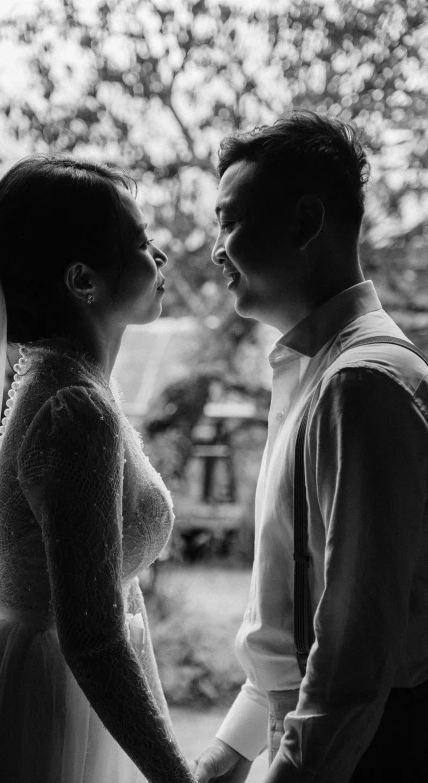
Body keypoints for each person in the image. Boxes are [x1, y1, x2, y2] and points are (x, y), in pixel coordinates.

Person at [0, 155, 197, 783]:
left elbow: (104, 570)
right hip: (49, 705)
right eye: (142, 243)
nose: (159, 260)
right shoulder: (75, 411)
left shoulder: (74, 386)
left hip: (63, 689)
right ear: (82, 280)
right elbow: (91, 639)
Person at [193, 112, 428, 782]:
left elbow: (356, 649)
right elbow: (299, 595)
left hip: (366, 751)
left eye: (228, 220)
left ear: (303, 223)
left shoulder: (362, 385)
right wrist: (236, 743)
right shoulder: (313, 371)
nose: (214, 249)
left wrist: (287, 772)